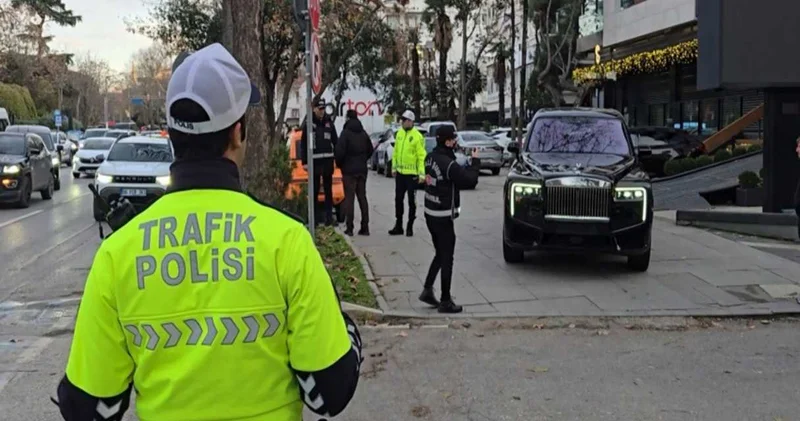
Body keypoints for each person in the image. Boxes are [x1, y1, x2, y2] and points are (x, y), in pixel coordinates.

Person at [55, 43, 362, 421]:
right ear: (237, 132)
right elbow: (330, 393)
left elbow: (88, 406)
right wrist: (344, 327)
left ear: (170, 135)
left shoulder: (117, 254)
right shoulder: (287, 241)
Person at [419, 126, 480, 313]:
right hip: (443, 216)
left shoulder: (429, 157)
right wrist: (476, 161)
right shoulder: (449, 164)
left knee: (440, 252)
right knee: (447, 258)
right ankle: (445, 300)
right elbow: (469, 180)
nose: (455, 142)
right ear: (446, 141)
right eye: (453, 139)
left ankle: (428, 289)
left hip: (430, 213)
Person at [335, 109, 374, 236]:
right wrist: (363, 160)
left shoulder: (345, 134)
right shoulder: (363, 133)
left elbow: (339, 152)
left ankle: (350, 228)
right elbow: (370, 149)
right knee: (362, 197)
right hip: (362, 170)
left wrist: (341, 165)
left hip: (349, 171)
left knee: (349, 199)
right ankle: (365, 227)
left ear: (347, 118)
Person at [300, 99, 338, 226]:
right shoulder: (309, 124)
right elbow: (304, 144)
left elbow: (335, 141)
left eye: (323, 109)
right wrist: (304, 162)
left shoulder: (328, 122)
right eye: (320, 109)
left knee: (328, 191)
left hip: (327, 162)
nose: (322, 111)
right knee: (314, 191)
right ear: (314, 109)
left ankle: (329, 219)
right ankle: (314, 220)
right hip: (314, 163)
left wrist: (337, 158)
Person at [389, 110, 427, 237]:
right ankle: (398, 225)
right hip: (400, 174)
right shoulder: (399, 133)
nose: (402, 122)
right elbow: (396, 152)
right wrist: (394, 168)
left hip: (412, 175)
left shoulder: (417, 136)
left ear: (410, 121)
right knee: (398, 200)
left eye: (404, 120)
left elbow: (421, 157)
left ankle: (409, 226)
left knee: (412, 201)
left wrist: (422, 175)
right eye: (402, 120)